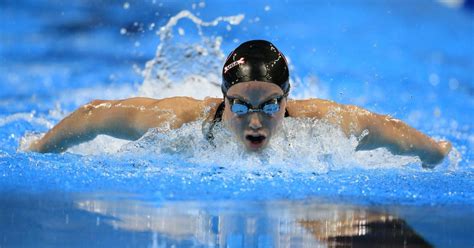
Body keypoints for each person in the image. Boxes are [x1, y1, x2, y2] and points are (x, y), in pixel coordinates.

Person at [28, 40, 451, 167]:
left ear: (286, 102)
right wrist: (37, 149)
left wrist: (435, 153)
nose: (255, 121)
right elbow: (93, 115)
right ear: (223, 101)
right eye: (240, 106)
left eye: (268, 106)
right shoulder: (178, 123)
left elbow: (387, 130)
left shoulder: (322, 124)